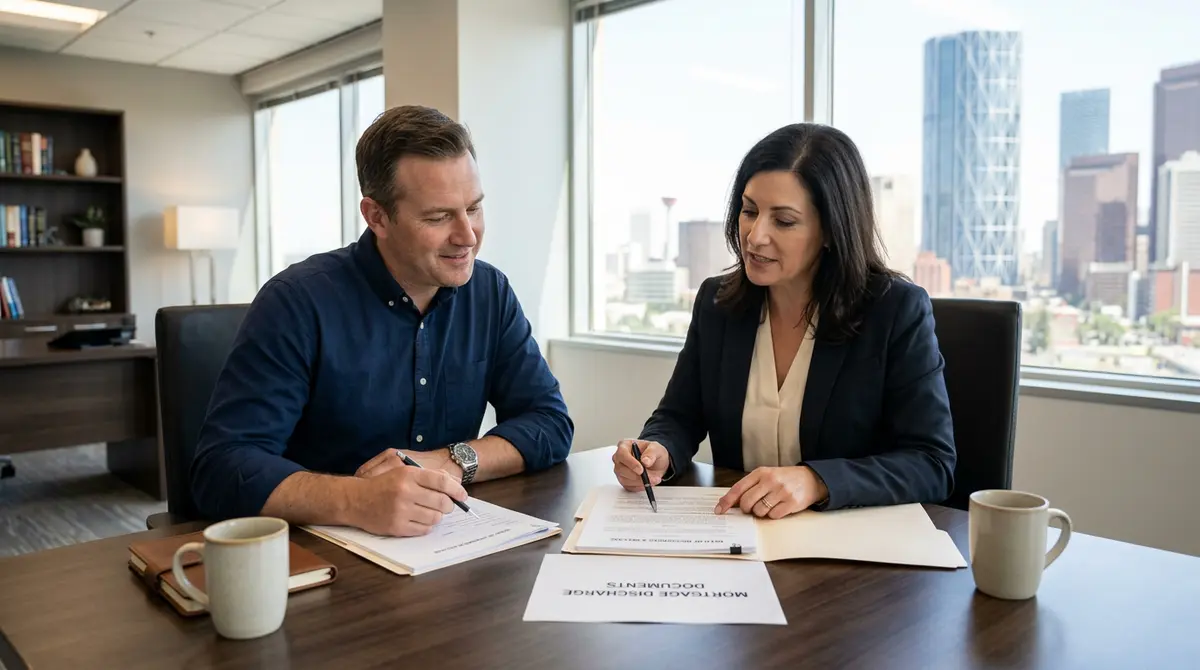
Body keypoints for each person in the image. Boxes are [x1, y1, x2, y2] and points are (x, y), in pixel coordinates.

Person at [192, 105, 574, 537]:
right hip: (325, 555)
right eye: (438, 217)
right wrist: (358, 499)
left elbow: (550, 422)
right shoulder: (297, 302)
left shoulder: (489, 292)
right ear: (377, 217)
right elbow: (222, 467)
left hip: (448, 543)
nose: (467, 236)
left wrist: (450, 460)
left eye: (474, 208)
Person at [611, 123, 955, 518]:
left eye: (784, 221)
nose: (755, 237)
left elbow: (932, 463)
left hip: (849, 556)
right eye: (749, 211)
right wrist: (658, 451)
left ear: (830, 229)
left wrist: (816, 480)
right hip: (741, 539)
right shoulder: (716, 302)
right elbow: (680, 416)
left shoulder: (895, 310)